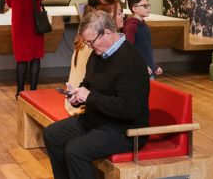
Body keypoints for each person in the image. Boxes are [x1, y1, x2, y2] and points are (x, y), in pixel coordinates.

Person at [43, 11, 150, 179]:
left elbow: (129, 109)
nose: (90, 47)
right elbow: (88, 82)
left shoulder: (131, 61)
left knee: (76, 150)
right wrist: (77, 95)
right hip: (97, 120)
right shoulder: (99, 52)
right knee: (52, 135)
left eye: (91, 42)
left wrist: (89, 97)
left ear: (107, 33)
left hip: (125, 130)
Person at [65, 0, 123, 116]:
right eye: (119, 13)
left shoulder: (82, 41)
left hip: (75, 100)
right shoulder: (96, 45)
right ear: (107, 19)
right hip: (82, 106)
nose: (123, 16)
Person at [5, 0, 46, 97]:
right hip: (34, 19)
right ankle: (33, 92)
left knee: (21, 57)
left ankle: (19, 92)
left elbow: (9, 2)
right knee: (35, 57)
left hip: (19, 20)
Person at [123, 0, 161, 78]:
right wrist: (140, 66)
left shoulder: (144, 25)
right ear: (134, 9)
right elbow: (129, 51)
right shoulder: (131, 26)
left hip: (149, 70)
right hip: (139, 71)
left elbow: (147, 50)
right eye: (145, 6)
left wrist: (154, 65)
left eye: (148, 5)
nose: (148, 8)